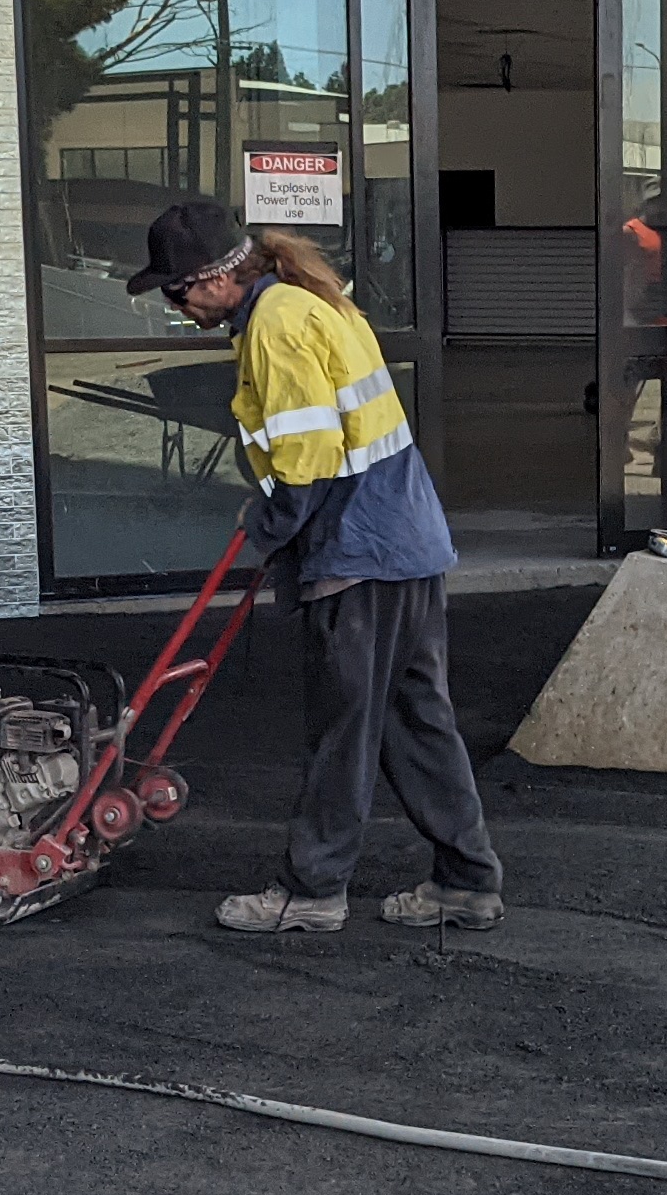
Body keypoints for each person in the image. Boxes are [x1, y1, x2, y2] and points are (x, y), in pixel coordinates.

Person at [123, 197, 507, 936]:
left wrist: (268, 524)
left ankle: (311, 891)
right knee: (414, 721)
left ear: (206, 282)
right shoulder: (311, 300)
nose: (181, 312)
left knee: (343, 731)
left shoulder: (274, 324)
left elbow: (308, 455)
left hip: (359, 551)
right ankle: (466, 879)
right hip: (405, 543)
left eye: (175, 297)